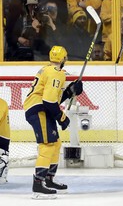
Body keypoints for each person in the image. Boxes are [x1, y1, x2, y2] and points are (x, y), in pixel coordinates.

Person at [23, 46, 83, 199]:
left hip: (40, 108)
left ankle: (48, 180)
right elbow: (49, 101)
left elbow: (53, 98)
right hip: (39, 110)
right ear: (64, 59)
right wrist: (62, 118)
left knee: (55, 143)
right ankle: (38, 184)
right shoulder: (56, 73)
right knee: (48, 145)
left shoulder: (46, 70)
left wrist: (69, 91)